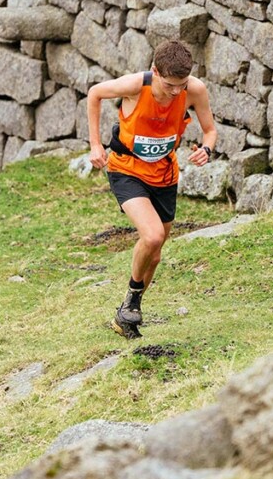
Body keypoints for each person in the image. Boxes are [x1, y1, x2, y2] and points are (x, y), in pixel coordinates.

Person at [87, 40, 217, 339]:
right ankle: (133, 298)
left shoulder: (195, 90)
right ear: (155, 71)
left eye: (182, 85)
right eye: (170, 85)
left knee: (154, 254)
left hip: (165, 175)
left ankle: (126, 316)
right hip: (126, 169)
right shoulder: (136, 85)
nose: (176, 92)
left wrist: (206, 150)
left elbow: (210, 131)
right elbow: (95, 93)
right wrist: (95, 144)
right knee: (153, 235)